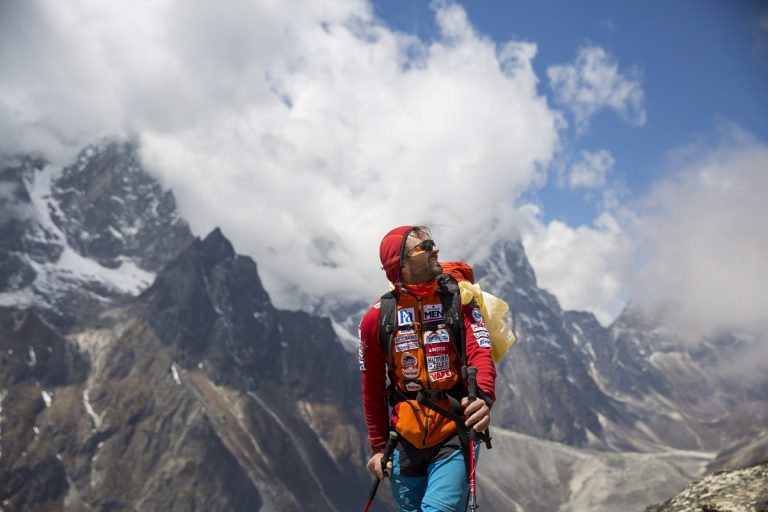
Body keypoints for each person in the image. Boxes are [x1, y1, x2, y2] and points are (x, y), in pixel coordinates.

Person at [358, 225, 497, 512]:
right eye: (426, 246)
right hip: (402, 443)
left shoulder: (461, 300)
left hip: (454, 431)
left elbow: (480, 352)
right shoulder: (375, 320)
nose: (436, 249)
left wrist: (483, 398)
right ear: (401, 263)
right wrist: (377, 447)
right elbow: (371, 388)